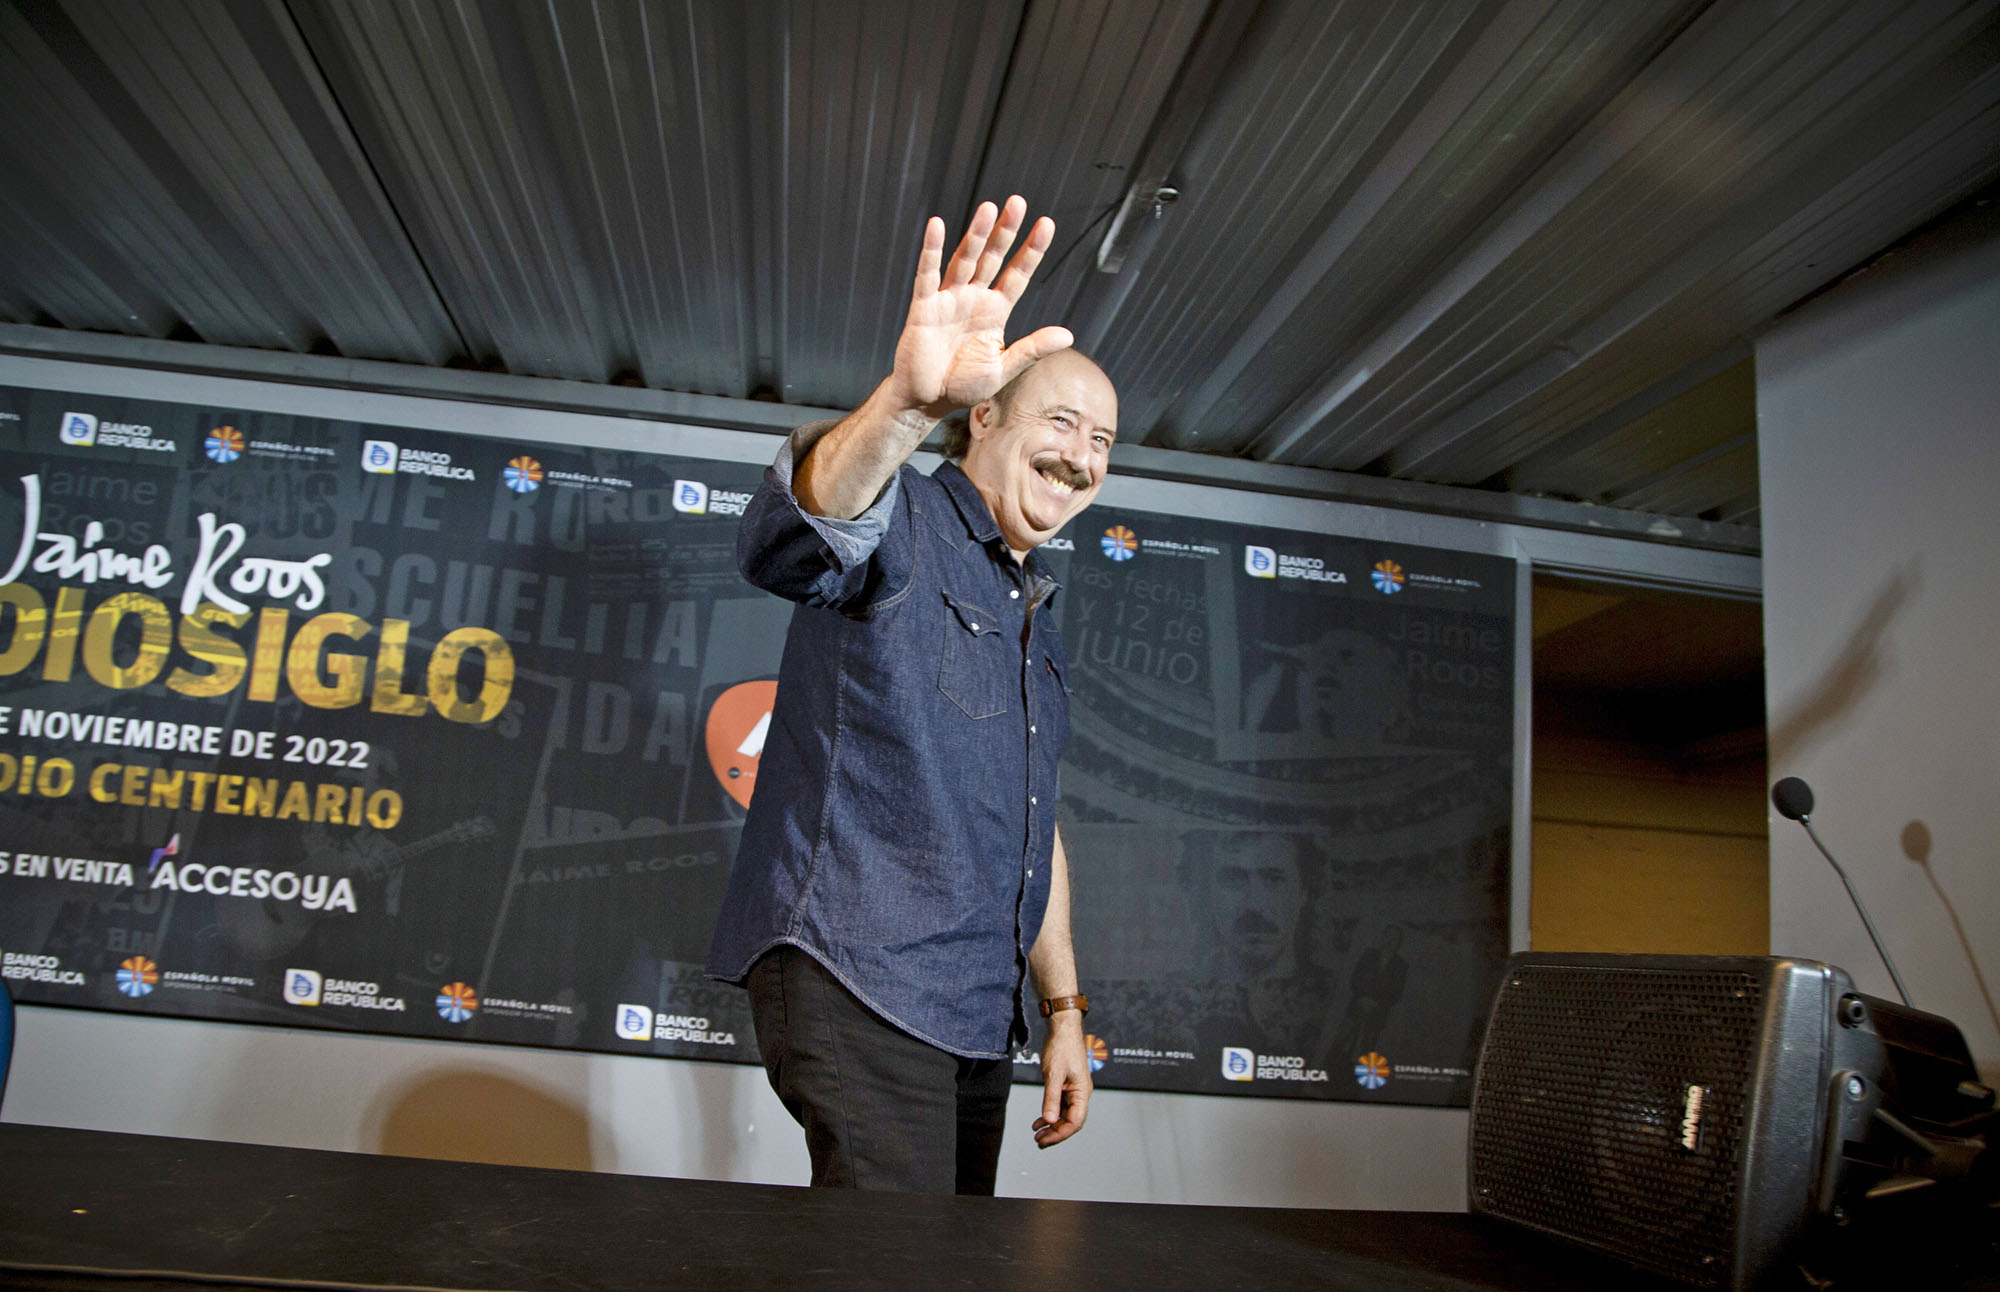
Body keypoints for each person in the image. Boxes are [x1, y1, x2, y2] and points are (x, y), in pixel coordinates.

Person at [707, 196, 1115, 1194]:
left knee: (949, 1258)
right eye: (1061, 421)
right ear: (985, 416)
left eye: (1104, 440)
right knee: (892, 1258)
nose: (1081, 456)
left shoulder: (1032, 609)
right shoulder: (906, 516)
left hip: (973, 1010)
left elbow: (1035, 820)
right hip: (863, 970)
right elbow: (790, 541)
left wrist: (1064, 1011)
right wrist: (904, 405)